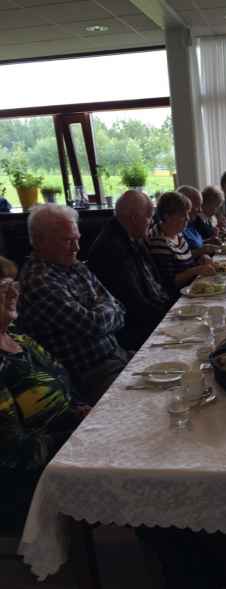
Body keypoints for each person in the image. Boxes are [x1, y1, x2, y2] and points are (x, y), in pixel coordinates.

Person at [0, 256, 88, 527]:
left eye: (14, 284)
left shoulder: (19, 339)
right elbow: (14, 451)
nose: (14, 293)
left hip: (63, 446)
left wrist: (80, 415)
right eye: (3, 288)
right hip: (30, 479)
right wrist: (80, 435)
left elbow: (64, 391)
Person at [18, 204, 128, 405]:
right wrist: (104, 309)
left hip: (117, 355)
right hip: (90, 377)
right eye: (68, 241)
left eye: (77, 239)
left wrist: (101, 311)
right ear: (40, 241)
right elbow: (93, 325)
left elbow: (120, 308)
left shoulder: (74, 265)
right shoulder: (38, 280)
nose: (77, 248)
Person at [88, 190, 172, 351]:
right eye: (149, 217)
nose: (152, 222)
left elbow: (156, 282)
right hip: (137, 330)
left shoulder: (132, 235)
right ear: (134, 218)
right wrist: (171, 316)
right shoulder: (111, 249)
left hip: (153, 313)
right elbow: (134, 304)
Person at [146, 191, 216, 297]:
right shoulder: (159, 242)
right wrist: (196, 270)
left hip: (191, 288)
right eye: (183, 215)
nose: (188, 218)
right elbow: (170, 282)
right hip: (179, 297)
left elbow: (184, 262)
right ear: (167, 216)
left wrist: (201, 258)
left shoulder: (177, 233)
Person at [177, 185, 220, 254]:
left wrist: (208, 241)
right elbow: (181, 255)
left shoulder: (191, 223)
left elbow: (195, 244)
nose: (200, 210)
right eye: (197, 205)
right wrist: (201, 251)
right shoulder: (178, 228)